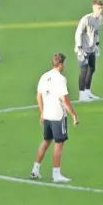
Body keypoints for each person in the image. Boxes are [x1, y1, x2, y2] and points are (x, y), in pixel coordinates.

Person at [30, 53, 79, 183]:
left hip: (47, 114)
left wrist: (42, 112)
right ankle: (56, 174)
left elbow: (38, 96)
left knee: (46, 141)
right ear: (61, 64)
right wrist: (73, 115)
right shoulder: (61, 79)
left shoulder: (44, 76)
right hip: (58, 115)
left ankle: (35, 170)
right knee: (59, 143)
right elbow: (65, 99)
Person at [75, 0, 103, 101]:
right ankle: (81, 94)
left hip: (92, 49)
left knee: (92, 69)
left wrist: (97, 45)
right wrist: (79, 48)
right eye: (98, 8)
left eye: (101, 8)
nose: (100, 10)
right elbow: (78, 33)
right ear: (94, 8)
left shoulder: (100, 19)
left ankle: (88, 91)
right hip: (83, 49)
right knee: (84, 70)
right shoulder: (86, 19)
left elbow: (97, 32)